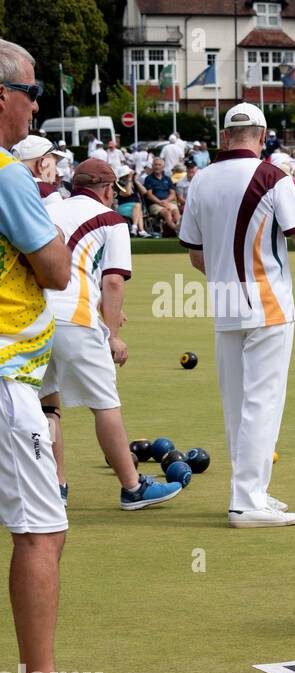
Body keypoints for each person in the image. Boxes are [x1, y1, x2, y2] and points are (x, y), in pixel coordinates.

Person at [0, 38, 127, 673]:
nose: (36, 105)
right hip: (5, 378)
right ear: (1, 97)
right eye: (30, 92)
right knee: (42, 532)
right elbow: (53, 269)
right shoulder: (6, 175)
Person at [178, 103, 295, 528]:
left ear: (226, 136)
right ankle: (246, 502)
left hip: (226, 303)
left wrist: (228, 277)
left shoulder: (201, 180)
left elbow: (195, 256)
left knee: (236, 404)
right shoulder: (272, 178)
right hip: (268, 304)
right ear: (262, 135)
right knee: (263, 401)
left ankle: (250, 492)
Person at [37, 158, 185, 511]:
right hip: (76, 319)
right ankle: (132, 488)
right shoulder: (112, 221)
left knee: (46, 406)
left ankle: (53, 487)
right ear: (106, 189)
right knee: (105, 403)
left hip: (37, 318)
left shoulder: (48, 210)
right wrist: (113, 333)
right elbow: (114, 280)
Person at [141, 156, 181, 233]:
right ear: (152, 166)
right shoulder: (148, 179)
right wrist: (160, 202)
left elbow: (173, 194)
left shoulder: (167, 178)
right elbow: (149, 195)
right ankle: (178, 230)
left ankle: (180, 230)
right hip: (155, 204)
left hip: (168, 202)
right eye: (155, 165)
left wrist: (166, 201)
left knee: (176, 212)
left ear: (163, 167)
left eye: (159, 165)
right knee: (166, 212)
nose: (157, 167)